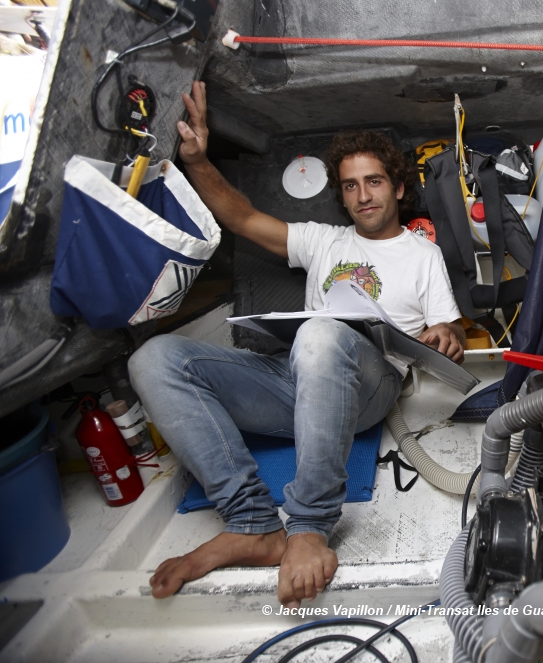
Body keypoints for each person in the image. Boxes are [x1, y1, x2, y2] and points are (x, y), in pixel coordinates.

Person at [129, 81, 465, 608]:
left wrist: (447, 334)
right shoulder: (323, 240)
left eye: (374, 182)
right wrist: (197, 159)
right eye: (351, 186)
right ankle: (254, 524)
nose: (362, 196)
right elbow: (239, 217)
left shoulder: (422, 255)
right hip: (293, 384)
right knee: (153, 358)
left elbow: (451, 330)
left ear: (398, 189)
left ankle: (309, 525)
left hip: (366, 390)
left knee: (321, 331)